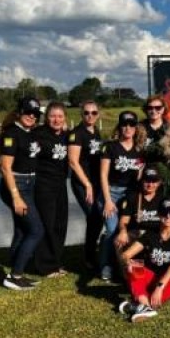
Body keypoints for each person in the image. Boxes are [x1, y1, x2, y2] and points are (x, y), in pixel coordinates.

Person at [117, 198, 170, 322]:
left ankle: (141, 305)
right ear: (159, 214)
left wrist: (159, 287)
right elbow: (125, 255)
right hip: (154, 278)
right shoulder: (151, 233)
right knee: (134, 267)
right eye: (164, 212)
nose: (168, 216)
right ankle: (145, 305)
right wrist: (129, 262)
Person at [0, 97, 44, 291]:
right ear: (19, 112)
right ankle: (14, 276)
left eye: (35, 114)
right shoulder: (11, 134)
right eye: (27, 112)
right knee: (36, 230)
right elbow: (5, 167)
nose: (31, 116)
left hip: (29, 184)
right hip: (16, 186)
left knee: (22, 230)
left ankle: (17, 271)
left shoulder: (30, 132)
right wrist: (16, 196)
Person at [98, 110, 145, 282]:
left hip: (129, 194)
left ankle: (123, 266)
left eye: (131, 124)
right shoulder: (110, 147)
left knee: (127, 231)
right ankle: (106, 266)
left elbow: (139, 180)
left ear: (136, 128)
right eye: (124, 124)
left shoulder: (139, 151)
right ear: (119, 127)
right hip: (110, 192)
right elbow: (103, 175)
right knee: (112, 230)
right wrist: (107, 201)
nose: (128, 128)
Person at [32, 101, 70, 278]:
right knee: (47, 224)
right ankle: (44, 266)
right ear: (46, 118)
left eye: (60, 116)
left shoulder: (66, 135)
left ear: (65, 118)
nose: (56, 120)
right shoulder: (38, 134)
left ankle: (56, 262)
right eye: (53, 116)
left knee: (60, 224)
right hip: (43, 184)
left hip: (60, 184)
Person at [67, 100, 104, 272]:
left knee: (98, 217)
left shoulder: (96, 132)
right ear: (81, 114)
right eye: (86, 112)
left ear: (98, 114)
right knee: (94, 215)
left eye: (93, 113)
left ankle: (92, 250)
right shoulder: (77, 133)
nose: (90, 116)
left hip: (96, 182)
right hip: (83, 183)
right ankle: (89, 257)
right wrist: (87, 184)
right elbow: (73, 162)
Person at [114, 164, 165, 253]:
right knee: (118, 241)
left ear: (159, 183)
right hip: (137, 234)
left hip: (155, 235)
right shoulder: (133, 197)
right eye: (147, 181)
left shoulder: (163, 200)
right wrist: (123, 231)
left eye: (154, 181)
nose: (150, 185)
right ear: (142, 181)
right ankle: (123, 261)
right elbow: (124, 221)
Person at [139, 93, 170, 165]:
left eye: (158, 108)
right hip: (144, 166)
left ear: (163, 109)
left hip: (166, 167)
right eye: (150, 108)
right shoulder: (139, 127)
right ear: (146, 109)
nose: (153, 111)